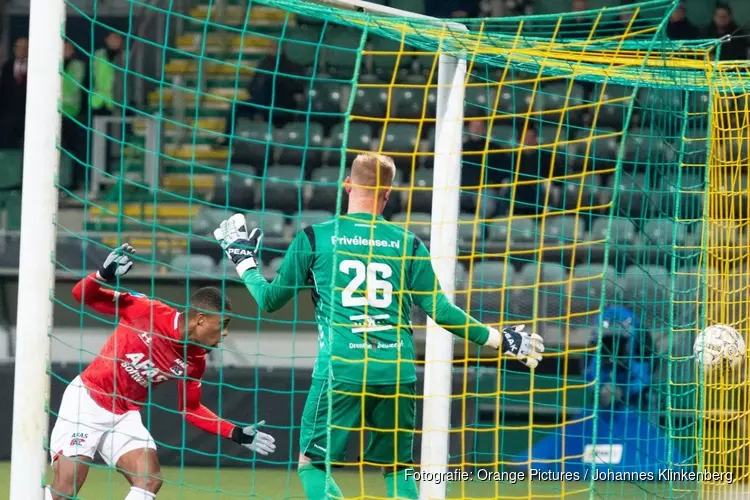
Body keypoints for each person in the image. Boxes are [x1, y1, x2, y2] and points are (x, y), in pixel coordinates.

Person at [213, 153, 545, 500]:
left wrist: (243, 260)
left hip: (342, 367)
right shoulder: (408, 243)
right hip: (397, 370)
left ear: (347, 185)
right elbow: (442, 311)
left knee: (312, 464)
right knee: (399, 469)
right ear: (388, 194)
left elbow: (269, 301)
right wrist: (500, 338)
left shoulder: (315, 237)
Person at [46, 244, 276, 500]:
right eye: (222, 324)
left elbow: (190, 408)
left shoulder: (196, 359)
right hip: (86, 403)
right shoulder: (147, 310)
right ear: (200, 319)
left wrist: (234, 432)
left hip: (124, 415)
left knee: (150, 479)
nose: (225, 333)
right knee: (65, 490)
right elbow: (82, 295)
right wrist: (101, 276)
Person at [0, 37, 28, 149]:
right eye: (18, 47)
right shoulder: (7, 66)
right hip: (8, 115)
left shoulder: (36, 67)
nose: (21, 50)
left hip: (27, 115)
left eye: (25, 47)